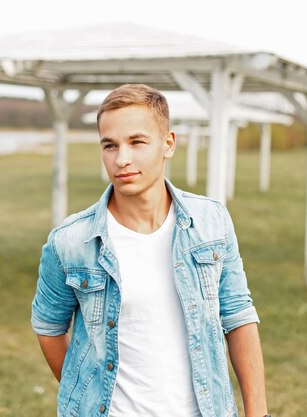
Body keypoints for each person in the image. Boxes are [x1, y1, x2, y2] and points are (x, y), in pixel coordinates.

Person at [31, 84, 269, 417]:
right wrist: (88, 394)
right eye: (110, 145)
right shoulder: (70, 241)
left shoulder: (211, 221)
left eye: (137, 142)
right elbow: (49, 328)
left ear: (168, 144)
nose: (122, 159)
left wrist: (257, 414)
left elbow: (239, 317)